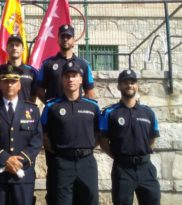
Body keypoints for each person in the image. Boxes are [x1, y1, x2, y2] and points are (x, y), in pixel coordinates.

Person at [37, 24, 95, 204]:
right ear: (58, 38)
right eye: (63, 36)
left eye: (69, 36)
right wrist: (53, 106)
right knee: (56, 178)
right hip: (56, 122)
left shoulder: (84, 64)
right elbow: (39, 88)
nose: (66, 39)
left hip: (76, 121)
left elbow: (90, 91)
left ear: (74, 39)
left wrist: (79, 109)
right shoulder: (48, 64)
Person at [0, 65, 42, 205]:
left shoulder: (32, 110)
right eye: (6, 81)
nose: (10, 85)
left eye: (13, 81)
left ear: (19, 84)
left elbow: (37, 140)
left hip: (23, 175)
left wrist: (20, 161)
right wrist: (5, 159)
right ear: (0, 85)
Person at [41, 61, 100, 205]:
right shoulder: (51, 106)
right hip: (63, 163)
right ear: (62, 80)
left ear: (81, 79)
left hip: (87, 163)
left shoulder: (93, 106)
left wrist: (90, 146)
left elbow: (99, 132)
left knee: (90, 200)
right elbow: (43, 134)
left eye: (74, 76)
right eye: (67, 76)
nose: (71, 79)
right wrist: (56, 151)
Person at [100, 70, 161, 205]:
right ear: (118, 86)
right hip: (122, 169)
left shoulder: (148, 113)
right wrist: (119, 157)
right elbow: (103, 142)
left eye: (132, 82)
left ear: (137, 86)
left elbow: (151, 139)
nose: (129, 85)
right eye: (125, 82)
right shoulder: (109, 113)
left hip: (146, 168)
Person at [0, 34, 38, 103]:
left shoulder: (32, 72)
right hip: (2, 112)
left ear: (23, 49)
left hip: (24, 112)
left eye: (17, 45)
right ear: (6, 49)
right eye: (11, 45)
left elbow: (34, 97)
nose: (14, 48)